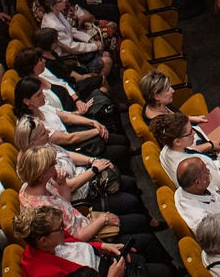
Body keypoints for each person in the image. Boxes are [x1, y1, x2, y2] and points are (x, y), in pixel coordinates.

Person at [16, 146, 163, 262]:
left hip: (85, 221)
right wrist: (103, 219)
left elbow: (67, 203)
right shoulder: (42, 210)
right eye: (51, 165)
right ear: (41, 174)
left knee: (139, 220)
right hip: (88, 240)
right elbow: (76, 238)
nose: (56, 165)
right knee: (145, 236)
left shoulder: (33, 186)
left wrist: (61, 184)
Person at [13, 116, 144, 218]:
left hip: (85, 174)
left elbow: (66, 154)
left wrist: (91, 160)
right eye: (43, 132)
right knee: (130, 200)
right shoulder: (36, 166)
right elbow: (69, 186)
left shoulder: (43, 144)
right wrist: (94, 170)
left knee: (128, 182)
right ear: (32, 143)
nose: (48, 132)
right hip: (83, 194)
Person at [139, 71, 220, 166]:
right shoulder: (160, 125)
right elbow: (182, 150)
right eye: (167, 89)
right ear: (156, 96)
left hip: (195, 130)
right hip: (197, 144)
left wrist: (192, 119)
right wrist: (211, 144)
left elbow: (175, 117)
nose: (172, 91)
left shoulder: (157, 105)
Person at [13, 76, 123, 164]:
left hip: (75, 133)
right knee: (120, 149)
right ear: (26, 101)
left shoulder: (40, 106)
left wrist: (93, 122)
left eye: (42, 92)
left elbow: (65, 116)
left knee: (120, 140)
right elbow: (69, 139)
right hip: (70, 148)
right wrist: (97, 131)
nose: (43, 96)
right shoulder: (32, 125)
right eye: (38, 95)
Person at [11, 205, 132, 277]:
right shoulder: (44, 273)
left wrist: (103, 246)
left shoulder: (48, 241)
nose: (64, 229)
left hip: (105, 260)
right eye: (60, 227)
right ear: (43, 241)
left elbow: (76, 245)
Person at [41, 0, 112, 79]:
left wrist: (90, 40)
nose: (65, 0)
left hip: (72, 50)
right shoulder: (53, 25)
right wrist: (95, 46)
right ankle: (97, 81)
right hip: (67, 57)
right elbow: (71, 47)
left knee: (106, 53)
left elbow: (71, 30)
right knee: (107, 60)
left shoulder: (57, 14)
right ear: (52, 6)